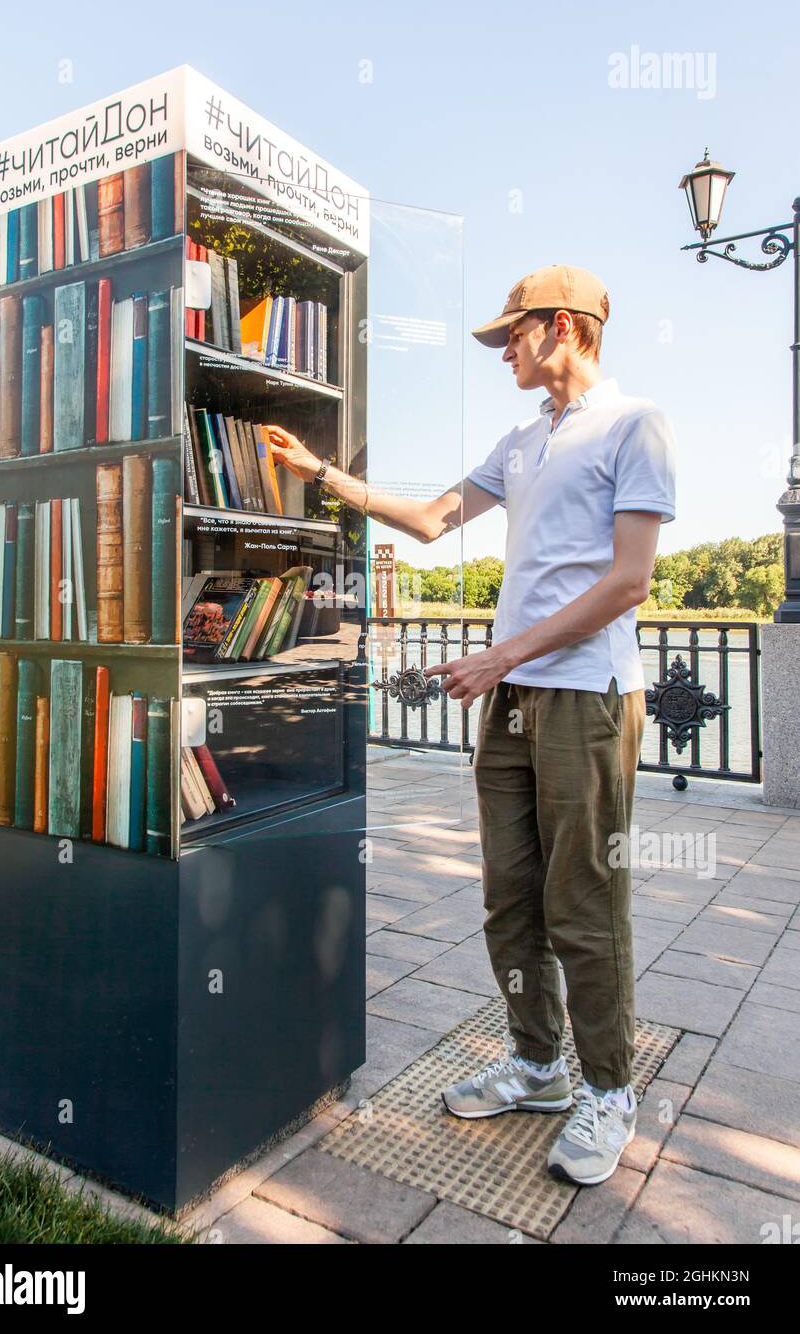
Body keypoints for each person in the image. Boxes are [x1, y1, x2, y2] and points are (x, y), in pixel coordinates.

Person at [267, 264, 677, 1186]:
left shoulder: (634, 424)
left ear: (564, 327)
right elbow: (432, 518)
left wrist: (500, 655)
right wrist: (325, 474)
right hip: (516, 700)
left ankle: (607, 1089)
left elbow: (629, 582)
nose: (504, 353)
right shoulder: (522, 441)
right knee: (508, 898)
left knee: (583, 906)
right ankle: (536, 1066)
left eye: (514, 337)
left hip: (589, 698)